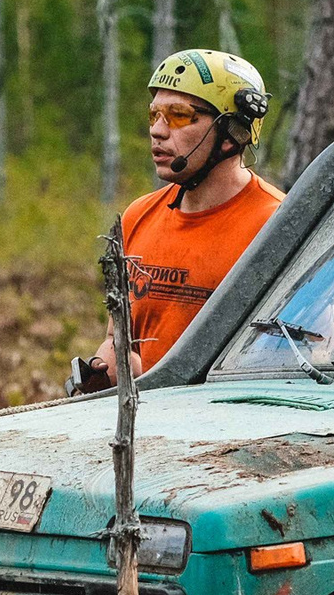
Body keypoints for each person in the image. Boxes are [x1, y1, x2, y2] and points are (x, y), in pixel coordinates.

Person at [76, 49, 284, 390]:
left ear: (234, 130)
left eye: (179, 116)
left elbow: (319, 345)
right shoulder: (138, 216)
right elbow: (118, 336)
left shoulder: (277, 224)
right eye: (154, 115)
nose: (158, 131)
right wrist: (106, 368)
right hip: (146, 429)